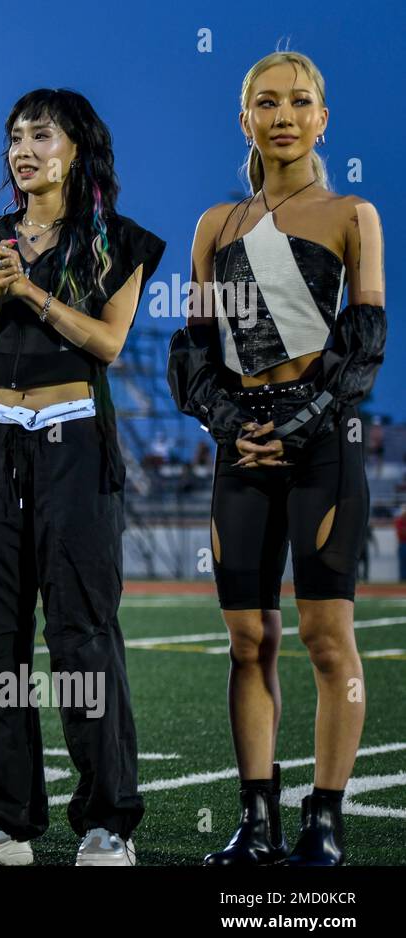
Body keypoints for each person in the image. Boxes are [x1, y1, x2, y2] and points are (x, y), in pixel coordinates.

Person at [168, 51, 385, 866]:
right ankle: (254, 820)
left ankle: (323, 819)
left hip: (322, 444)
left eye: (300, 102)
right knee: (248, 641)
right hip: (239, 447)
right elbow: (190, 355)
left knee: (327, 640)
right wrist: (233, 424)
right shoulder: (214, 227)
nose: (284, 114)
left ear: (322, 119)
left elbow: (364, 349)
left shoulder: (351, 215)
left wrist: (293, 426)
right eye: (267, 102)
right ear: (245, 119)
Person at [0, 88, 165, 867]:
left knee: (81, 634)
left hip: (75, 441)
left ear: (77, 148)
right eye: (14, 137)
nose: (24, 149)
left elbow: (106, 343)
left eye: (41, 135)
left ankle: (106, 821)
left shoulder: (120, 240)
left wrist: (32, 291)